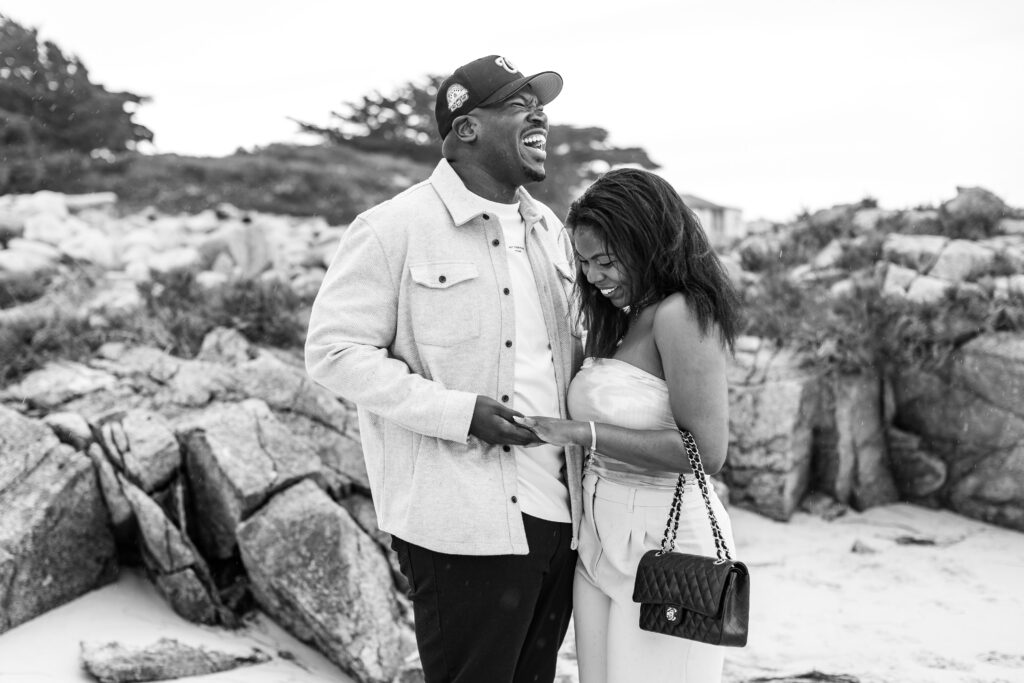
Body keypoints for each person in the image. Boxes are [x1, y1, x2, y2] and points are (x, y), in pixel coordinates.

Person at [304, 55, 584, 683]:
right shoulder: (391, 228)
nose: (539, 113)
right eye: (518, 103)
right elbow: (333, 351)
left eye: (539, 103)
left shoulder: (551, 230)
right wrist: (461, 415)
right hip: (460, 527)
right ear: (466, 128)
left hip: (562, 520)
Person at [515, 168, 743, 683]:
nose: (593, 277)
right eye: (585, 263)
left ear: (649, 243)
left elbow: (706, 452)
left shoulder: (681, 313)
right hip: (596, 538)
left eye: (605, 260)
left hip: (665, 538)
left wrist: (581, 433)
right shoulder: (620, 316)